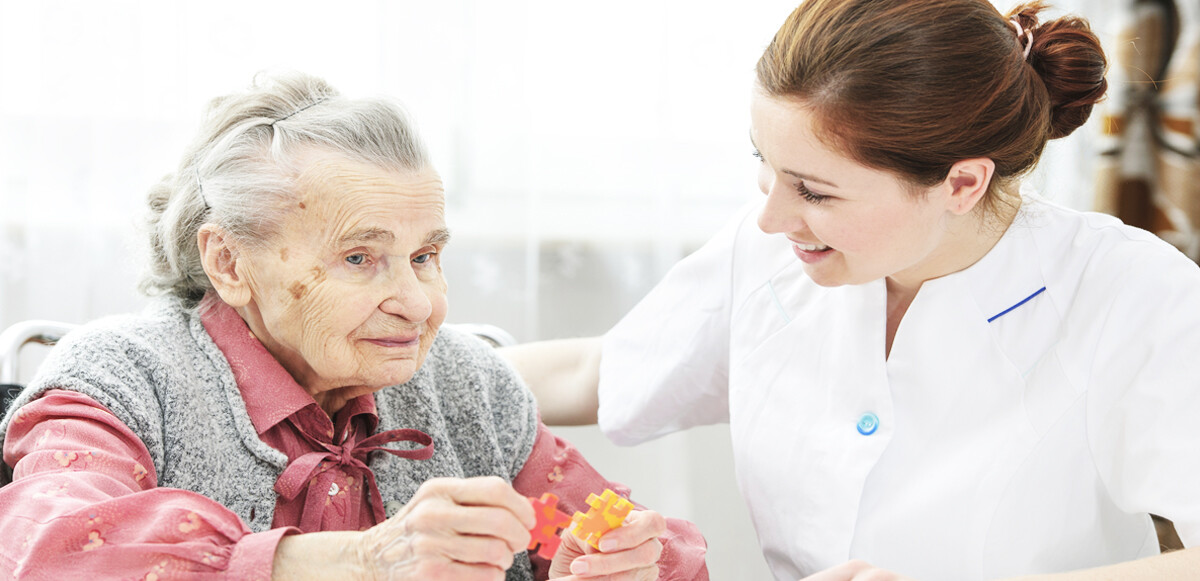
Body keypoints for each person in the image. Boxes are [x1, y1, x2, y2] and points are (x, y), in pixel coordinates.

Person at [502, 1, 1200, 579]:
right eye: (764, 164)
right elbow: (603, 369)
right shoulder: (776, 245)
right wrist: (411, 367)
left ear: (962, 183)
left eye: (814, 189)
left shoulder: (1132, 292)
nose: (773, 215)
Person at [0, 72, 707, 581]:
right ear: (229, 261)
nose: (418, 302)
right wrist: (366, 560)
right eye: (360, 257)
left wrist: (624, 562)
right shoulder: (123, 375)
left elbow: (599, 532)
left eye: (426, 255)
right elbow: (43, 549)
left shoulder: (470, 387)